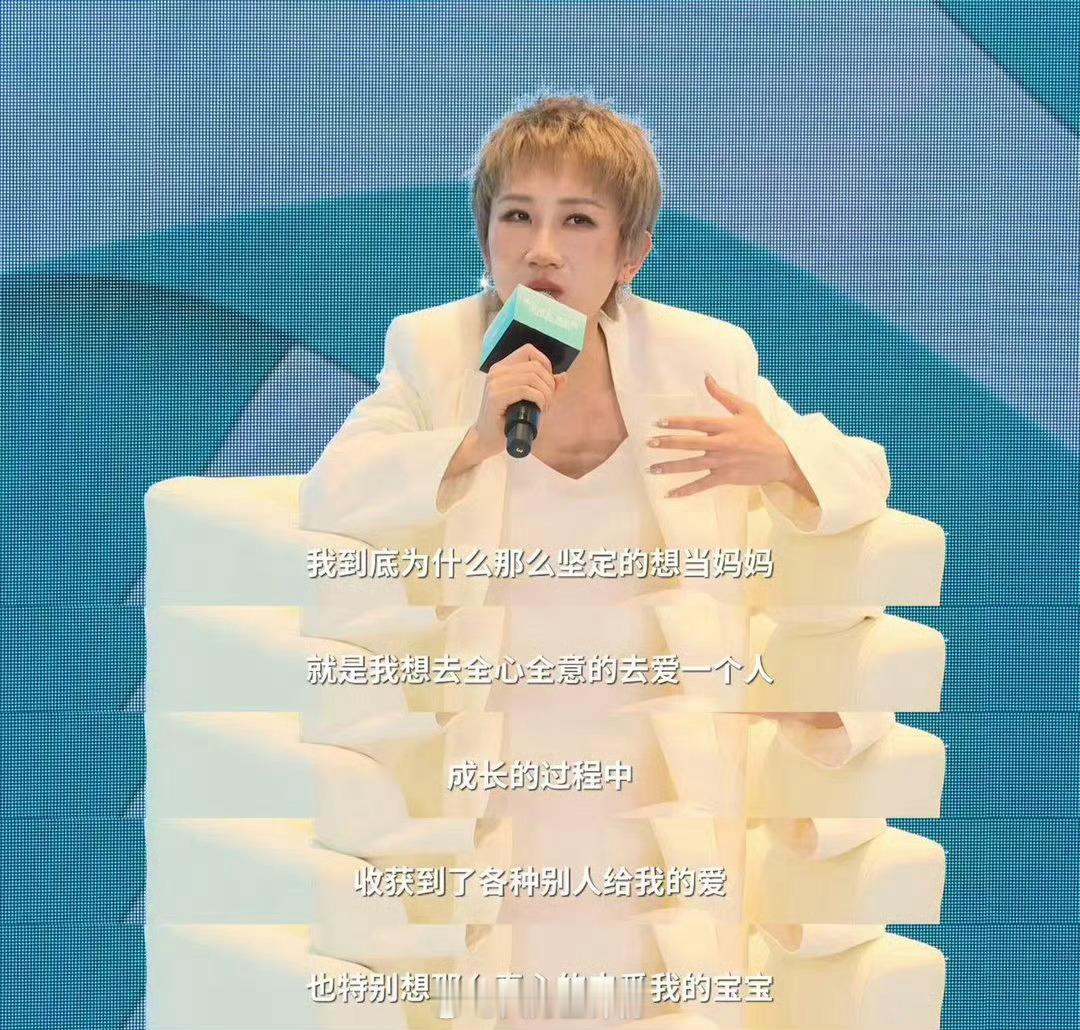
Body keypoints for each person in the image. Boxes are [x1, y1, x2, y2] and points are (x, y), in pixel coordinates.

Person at [300, 92, 894, 1028]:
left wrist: (780, 458)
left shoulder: (699, 356)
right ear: (486, 236)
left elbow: (861, 471)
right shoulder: (437, 352)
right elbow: (334, 491)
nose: (542, 249)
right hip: (500, 773)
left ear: (630, 255)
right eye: (517, 216)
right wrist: (470, 438)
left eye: (577, 221)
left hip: (655, 782)